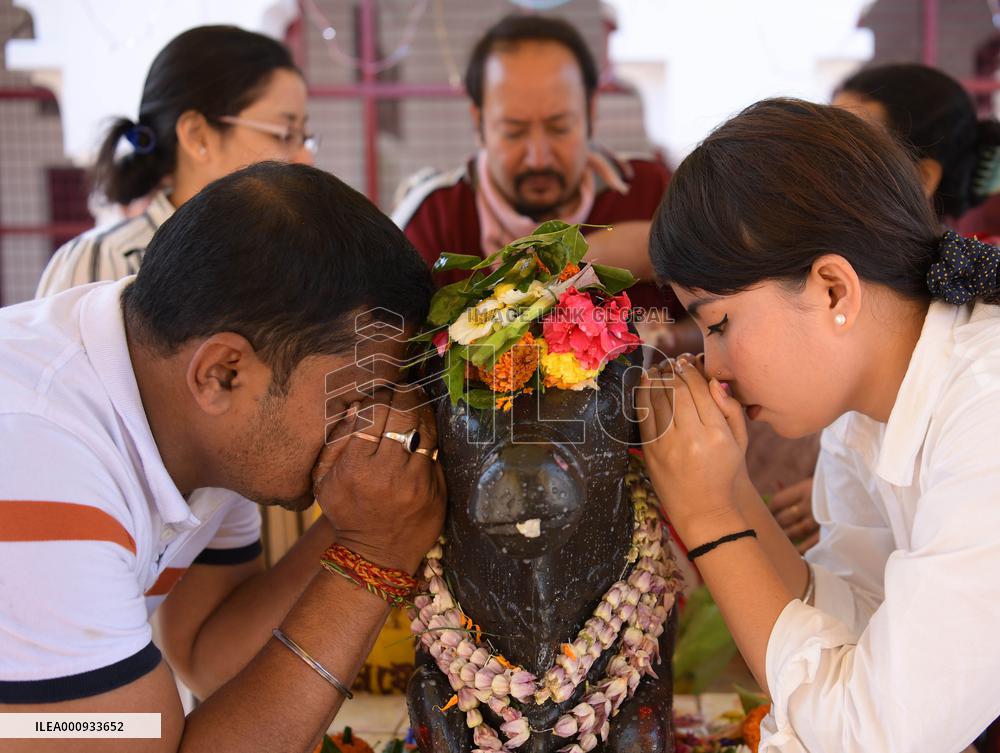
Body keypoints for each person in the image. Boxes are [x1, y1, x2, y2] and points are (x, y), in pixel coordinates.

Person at [0, 162, 445, 753]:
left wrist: (366, 519)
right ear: (222, 373)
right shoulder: (39, 459)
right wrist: (374, 558)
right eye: (353, 400)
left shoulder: (194, 419)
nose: (367, 426)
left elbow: (211, 656)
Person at [639, 98, 1000, 752]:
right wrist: (726, 488)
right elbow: (856, 627)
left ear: (834, 288)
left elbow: (871, 735)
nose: (712, 366)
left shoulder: (987, 410)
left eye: (718, 323)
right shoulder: (860, 418)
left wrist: (707, 518)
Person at [771, 63, 1000, 552]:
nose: (816, 174)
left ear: (920, 178)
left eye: (844, 155)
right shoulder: (854, 292)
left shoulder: (980, 329)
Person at [390, 13, 701, 354]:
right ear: (478, 122)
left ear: (591, 113)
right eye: (513, 131)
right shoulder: (435, 219)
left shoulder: (650, 192)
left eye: (559, 127)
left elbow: (722, 318)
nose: (538, 158)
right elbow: (394, 355)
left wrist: (666, 342)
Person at [35, 25, 316, 297]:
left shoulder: (295, 261)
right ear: (197, 136)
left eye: (303, 136)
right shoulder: (105, 262)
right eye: (285, 134)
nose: (305, 158)